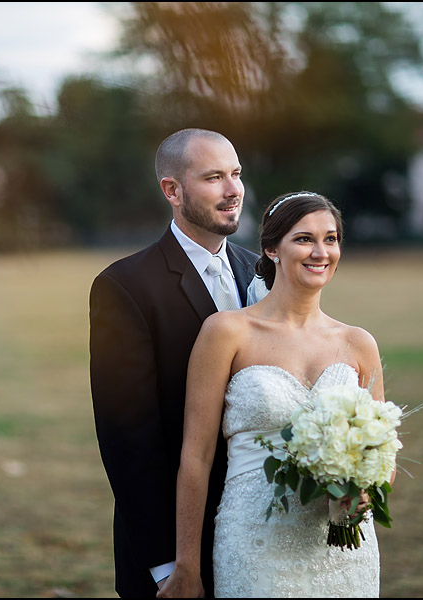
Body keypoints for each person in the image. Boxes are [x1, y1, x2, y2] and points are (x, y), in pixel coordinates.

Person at [158, 191, 385, 598]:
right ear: (271, 249)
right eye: (304, 239)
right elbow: (196, 457)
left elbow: (382, 458)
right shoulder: (226, 333)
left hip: (344, 553)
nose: (321, 252)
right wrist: (187, 565)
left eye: (331, 239)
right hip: (254, 543)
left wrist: (359, 491)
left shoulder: (358, 343)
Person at [89, 128, 260, 597]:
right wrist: (167, 565)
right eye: (214, 177)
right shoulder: (125, 287)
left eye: (236, 173)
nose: (233, 190)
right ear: (173, 190)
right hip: (175, 548)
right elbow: (128, 438)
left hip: (259, 537)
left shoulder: (262, 273)